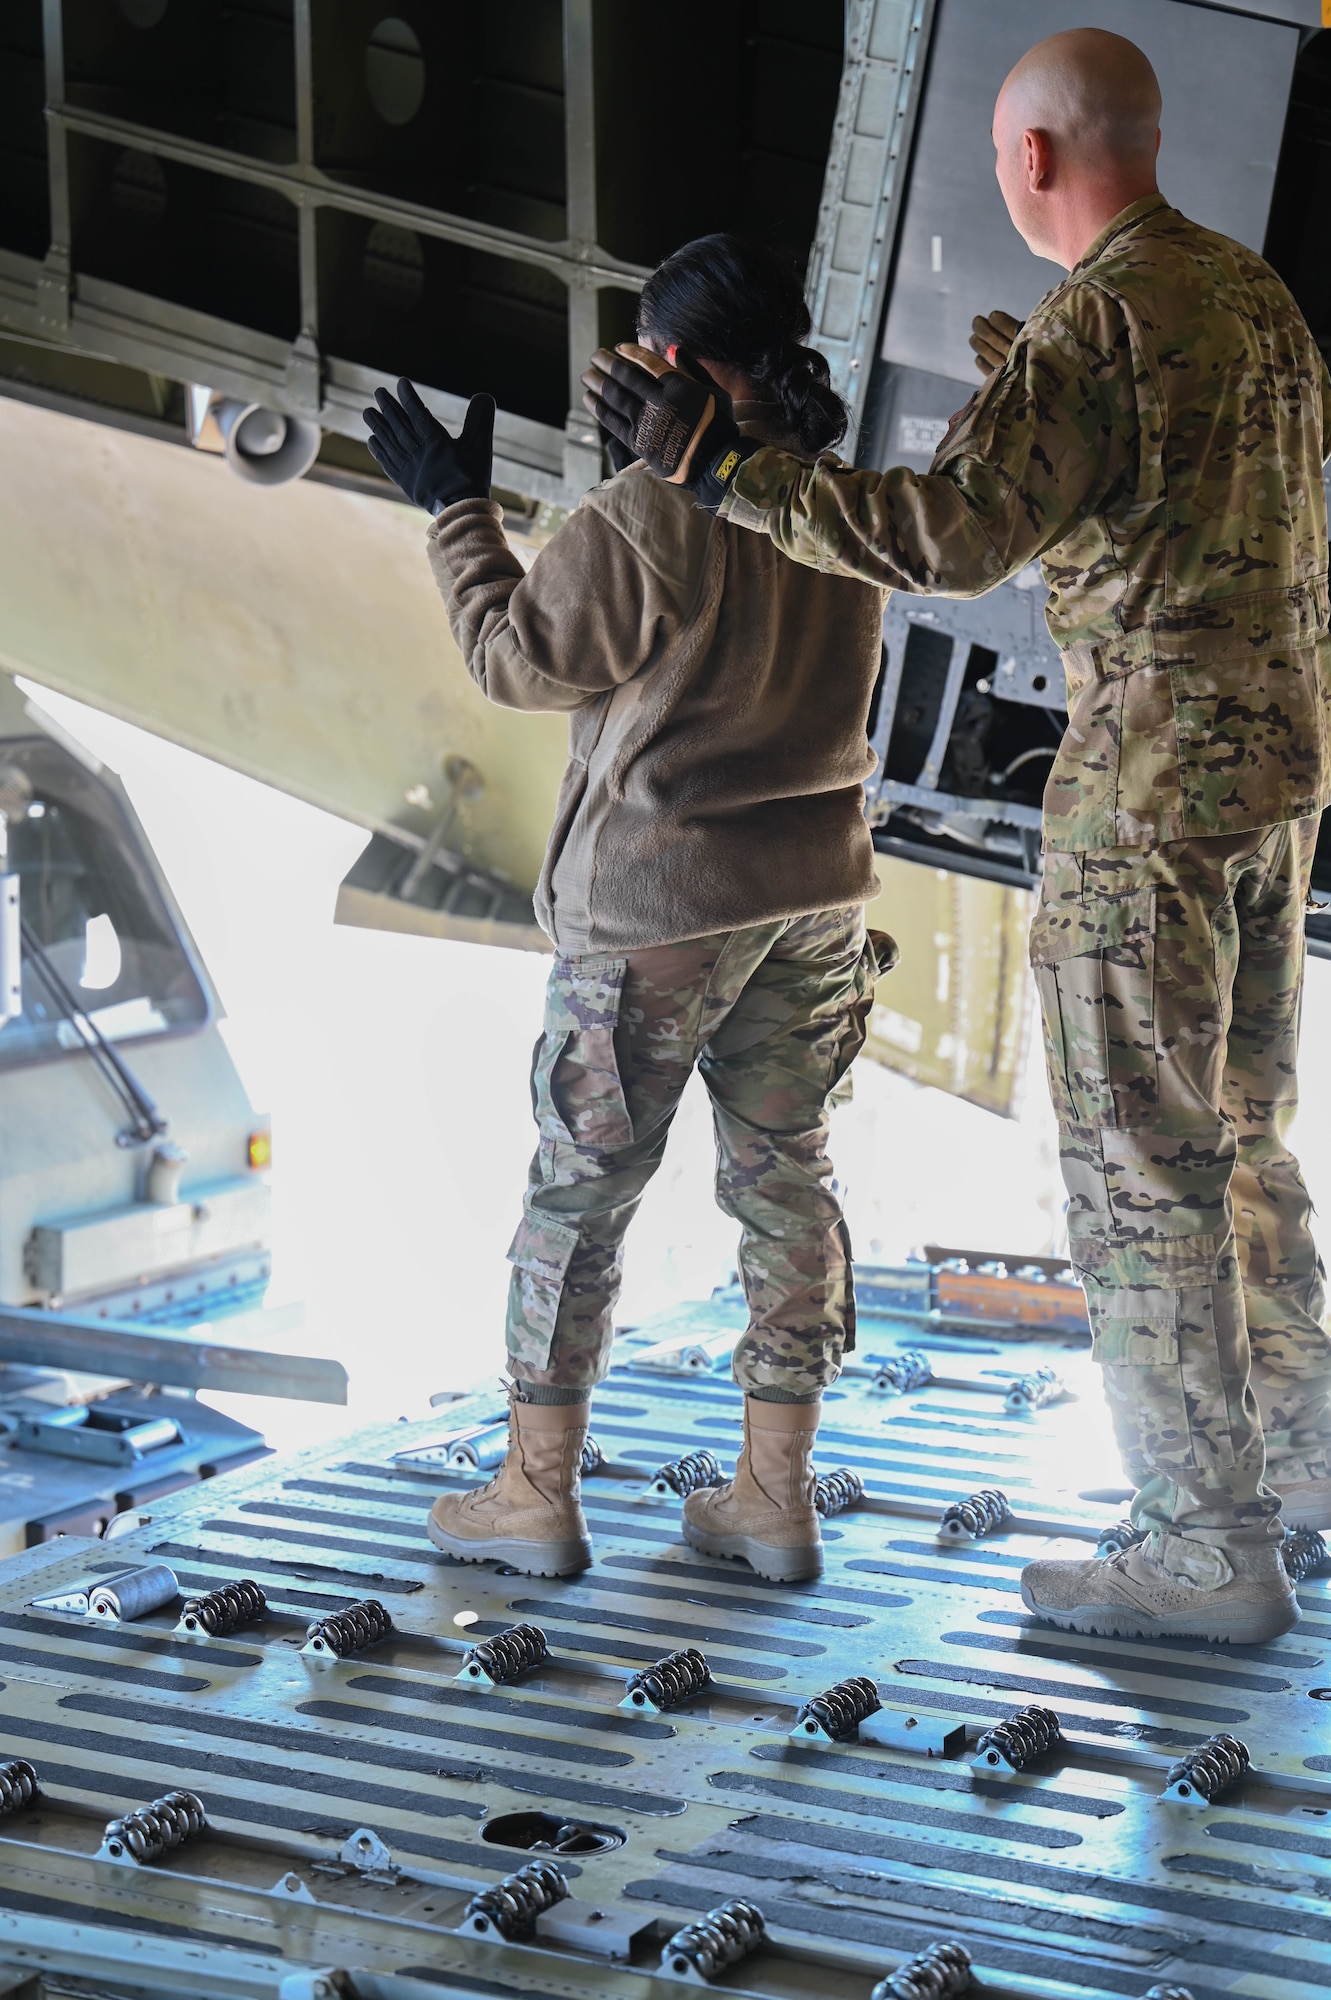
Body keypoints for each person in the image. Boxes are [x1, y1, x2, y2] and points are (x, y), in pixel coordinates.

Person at [585, 27, 1331, 1645]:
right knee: (1241, 1132)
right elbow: (1199, 488)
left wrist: (721, 466)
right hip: (1275, 784)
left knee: (1141, 1162)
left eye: (1005, 156)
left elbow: (945, 536)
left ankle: (1208, 1546)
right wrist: (1038, 388)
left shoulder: (1098, 324)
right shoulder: (1248, 300)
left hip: (1146, 801)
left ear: (1038, 161)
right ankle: (1304, 1458)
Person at [363, 235, 893, 1584]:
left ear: (682, 362)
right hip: (814, 901)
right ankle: (774, 1499)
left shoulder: (652, 515)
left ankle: (535, 1496)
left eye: (653, 350)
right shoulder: (842, 500)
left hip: (661, 904)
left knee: (580, 1197)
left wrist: (452, 509)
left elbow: (514, 659)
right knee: (788, 1184)